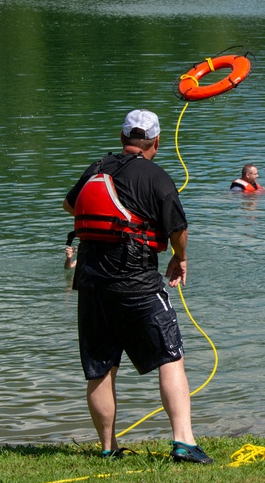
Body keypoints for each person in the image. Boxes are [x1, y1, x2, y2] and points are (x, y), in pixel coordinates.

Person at [63, 109, 213, 464]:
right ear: (156, 143)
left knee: (101, 365)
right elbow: (178, 228)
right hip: (136, 280)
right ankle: (183, 442)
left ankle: (107, 447)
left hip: (91, 281)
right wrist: (180, 257)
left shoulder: (98, 167)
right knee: (170, 355)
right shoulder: (156, 177)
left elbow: (70, 205)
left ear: (122, 139)